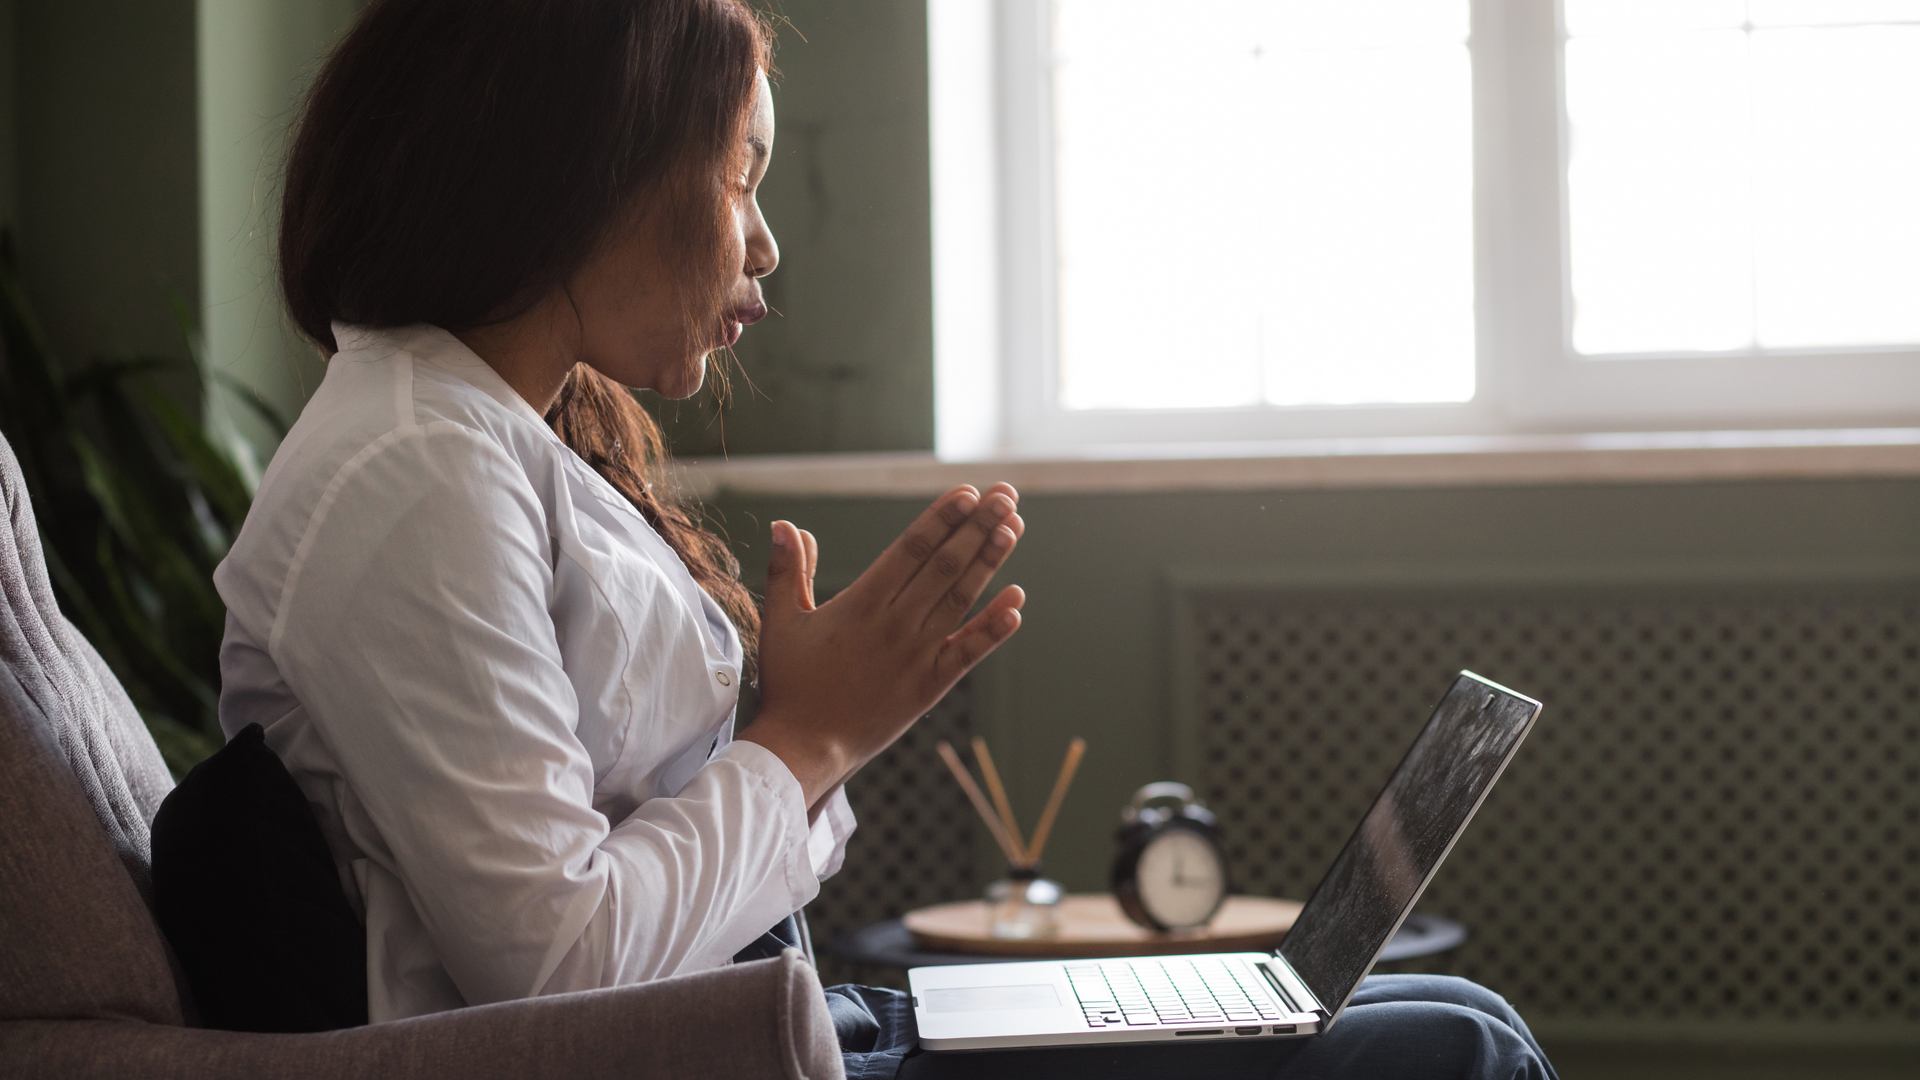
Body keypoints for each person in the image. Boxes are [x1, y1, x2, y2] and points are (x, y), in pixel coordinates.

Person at [218, 1, 1558, 1077]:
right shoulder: (413, 472)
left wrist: (806, 734)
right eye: (740, 175)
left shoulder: (486, 441)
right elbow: (560, 973)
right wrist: (810, 737)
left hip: (788, 1023)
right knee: (1460, 1051)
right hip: (724, 1047)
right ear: (584, 168)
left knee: (1456, 1015)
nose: (766, 245)